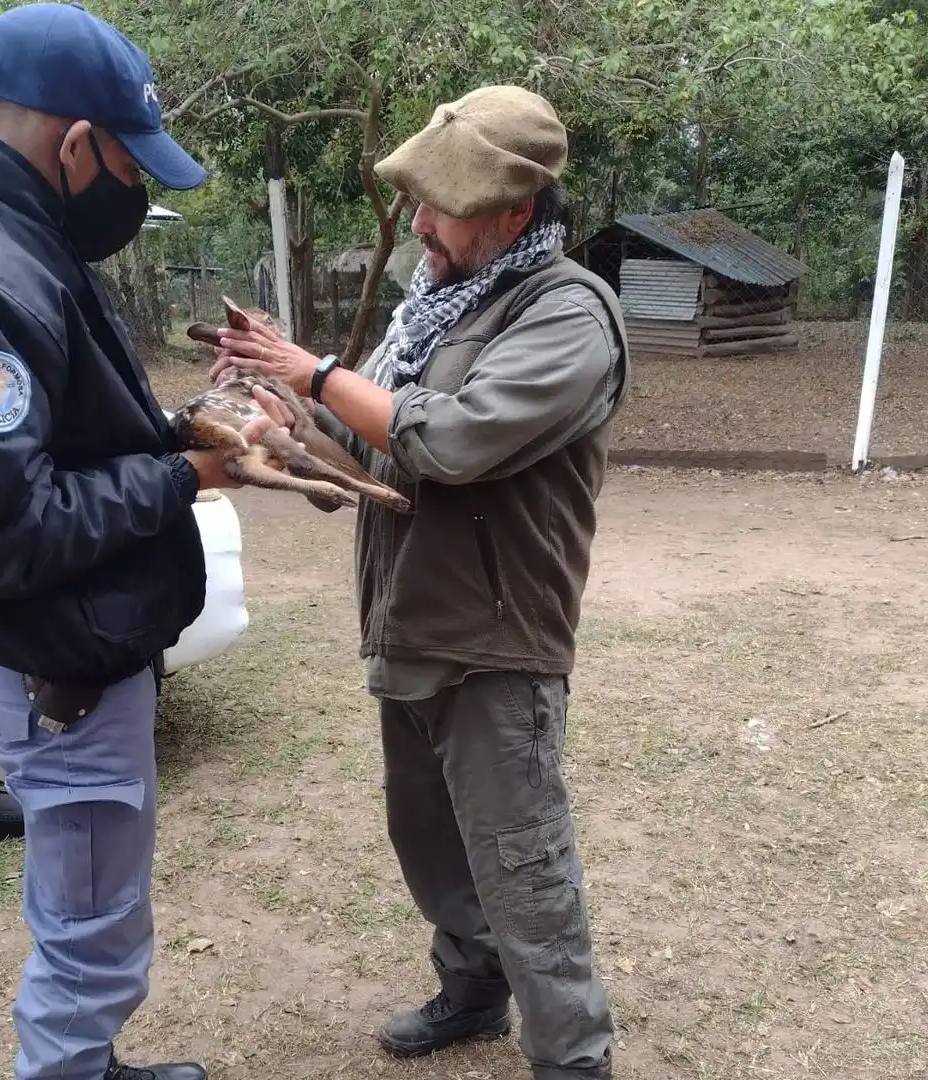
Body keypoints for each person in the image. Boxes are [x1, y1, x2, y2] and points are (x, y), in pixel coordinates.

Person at [0, 5, 288, 1080]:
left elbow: (62, 431)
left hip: (60, 646)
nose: (134, 189)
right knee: (90, 932)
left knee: (83, 905)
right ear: (73, 144)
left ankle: (87, 1068)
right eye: (129, 161)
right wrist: (179, 477)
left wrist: (179, 430)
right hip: (54, 665)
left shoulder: (4, 229)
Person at [209, 85, 631, 1080]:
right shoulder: (440, 308)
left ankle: (574, 1057)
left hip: (496, 642)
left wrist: (314, 372)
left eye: (440, 204)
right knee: (431, 841)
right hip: (411, 626)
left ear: (514, 215)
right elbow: (378, 459)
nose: (421, 224)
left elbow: (444, 444)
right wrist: (289, 430)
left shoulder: (569, 316)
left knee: (523, 867)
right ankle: (474, 990)